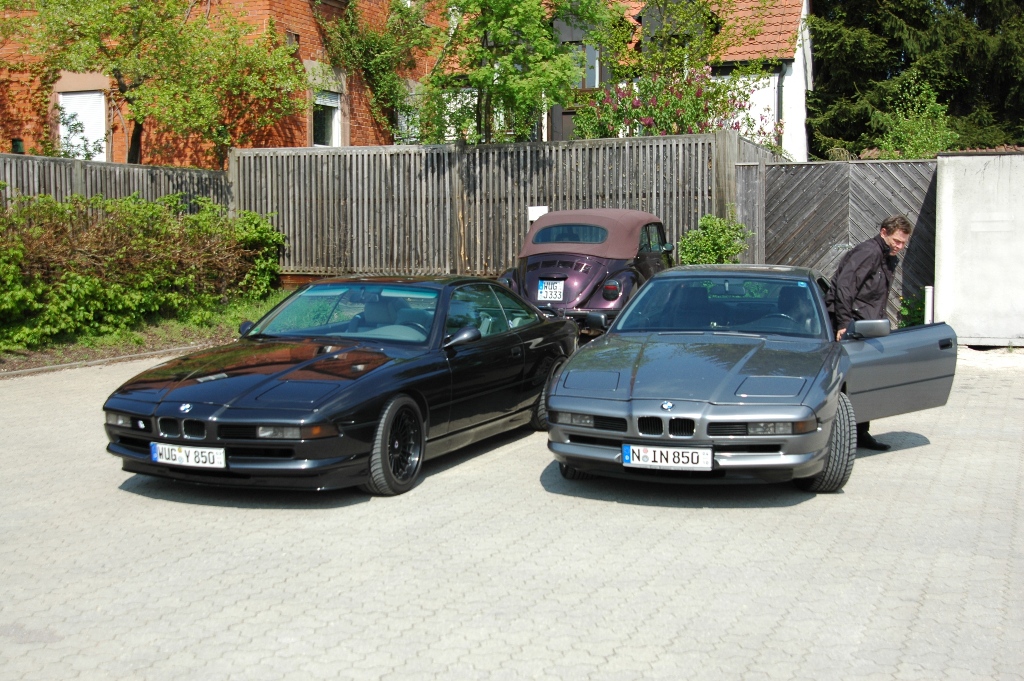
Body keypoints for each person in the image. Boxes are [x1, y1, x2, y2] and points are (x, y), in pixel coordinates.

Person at [826, 215, 913, 451]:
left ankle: (860, 432)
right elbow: (845, 286)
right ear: (884, 232)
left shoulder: (885, 256)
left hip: (866, 325)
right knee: (848, 380)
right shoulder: (869, 252)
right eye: (896, 241)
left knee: (863, 379)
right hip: (852, 326)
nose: (899, 246)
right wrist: (844, 323)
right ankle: (842, 434)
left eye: (903, 243)